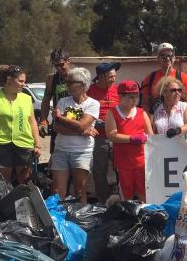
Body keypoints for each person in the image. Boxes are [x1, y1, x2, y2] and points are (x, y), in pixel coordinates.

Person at [0, 65, 40, 184]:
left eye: (24, 81)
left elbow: (32, 122)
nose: (23, 84)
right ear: (9, 80)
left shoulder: (26, 98)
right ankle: (5, 202)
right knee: (2, 182)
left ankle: (23, 202)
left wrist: (38, 144)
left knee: (25, 182)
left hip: (24, 144)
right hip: (0, 144)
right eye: (20, 81)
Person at [50, 68, 99, 204]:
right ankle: (57, 219)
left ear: (83, 85)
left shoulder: (93, 104)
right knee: (58, 191)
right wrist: (82, 132)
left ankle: (81, 218)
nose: (67, 85)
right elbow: (56, 127)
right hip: (61, 150)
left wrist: (60, 117)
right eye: (67, 82)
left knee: (79, 190)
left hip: (81, 152)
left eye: (71, 82)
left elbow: (81, 125)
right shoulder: (63, 101)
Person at [105, 80, 153, 202]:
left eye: (136, 96)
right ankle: (127, 219)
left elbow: (150, 135)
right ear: (120, 96)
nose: (134, 100)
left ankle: (145, 218)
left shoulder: (142, 113)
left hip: (142, 162)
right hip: (124, 164)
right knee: (126, 197)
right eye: (131, 97)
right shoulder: (112, 113)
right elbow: (111, 135)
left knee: (145, 195)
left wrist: (146, 138)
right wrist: (131, 138)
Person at [86, 62, 121, 202]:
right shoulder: (89, 91)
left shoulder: (118, 90)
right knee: (99, 171)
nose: (114, 79)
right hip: (98, 137)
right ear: (100, 77)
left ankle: (121, 199)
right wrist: (94, 123)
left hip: (117, 136)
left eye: (115, 76)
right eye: (110, 77)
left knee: (120, 169)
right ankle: (102, 201)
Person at [141, 42, 187, 108]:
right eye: (163, 56)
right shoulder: (149, 79)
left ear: (174, 58)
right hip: (156, 116)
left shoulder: (184, 78)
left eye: (170, 56)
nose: (167, 58)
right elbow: (146, 105)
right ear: (158, 58)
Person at [39, 47, 72, 153]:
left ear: (68, 61)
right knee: (55, 156)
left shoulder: (78, 77)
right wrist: (43, 120)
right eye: (55, 65)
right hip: (58, 123)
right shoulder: (51, 79)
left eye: (61, 64)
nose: (58, 68)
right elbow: (45, 101)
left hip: (76, 123)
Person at [150, 76, 187, 142]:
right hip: (162, 148)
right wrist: (151, 112)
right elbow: (150, 128)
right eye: (173, 90)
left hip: (181, 149)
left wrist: (177, 131)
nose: (177, 93)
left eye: (179, 90)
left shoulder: (184, 106)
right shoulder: (157, 109)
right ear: (164, 93)